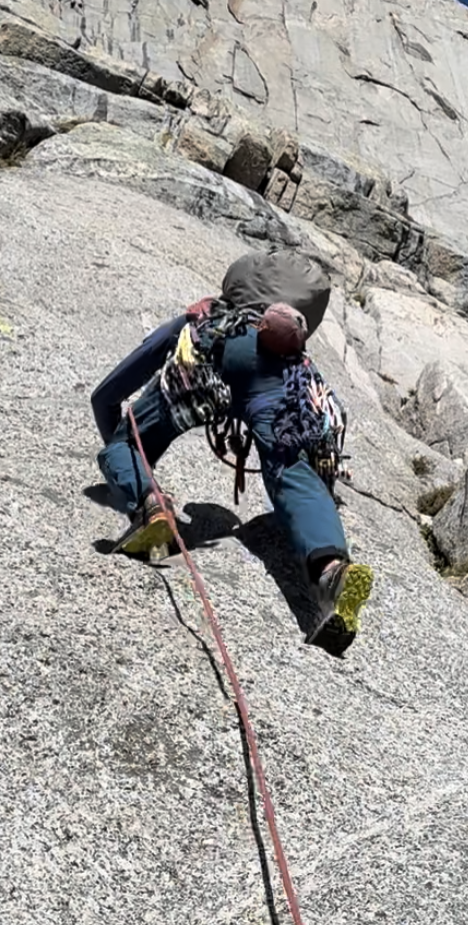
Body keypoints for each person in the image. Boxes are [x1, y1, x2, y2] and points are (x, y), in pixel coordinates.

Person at [91, 273, 373, 655]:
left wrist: (126, 448)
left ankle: (151, 506)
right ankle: (331, 572)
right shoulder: (287, 343)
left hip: (210, 355)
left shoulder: (203, 317)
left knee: (125, 445)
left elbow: (110, 392)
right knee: (289, 464)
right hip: (278, 376)